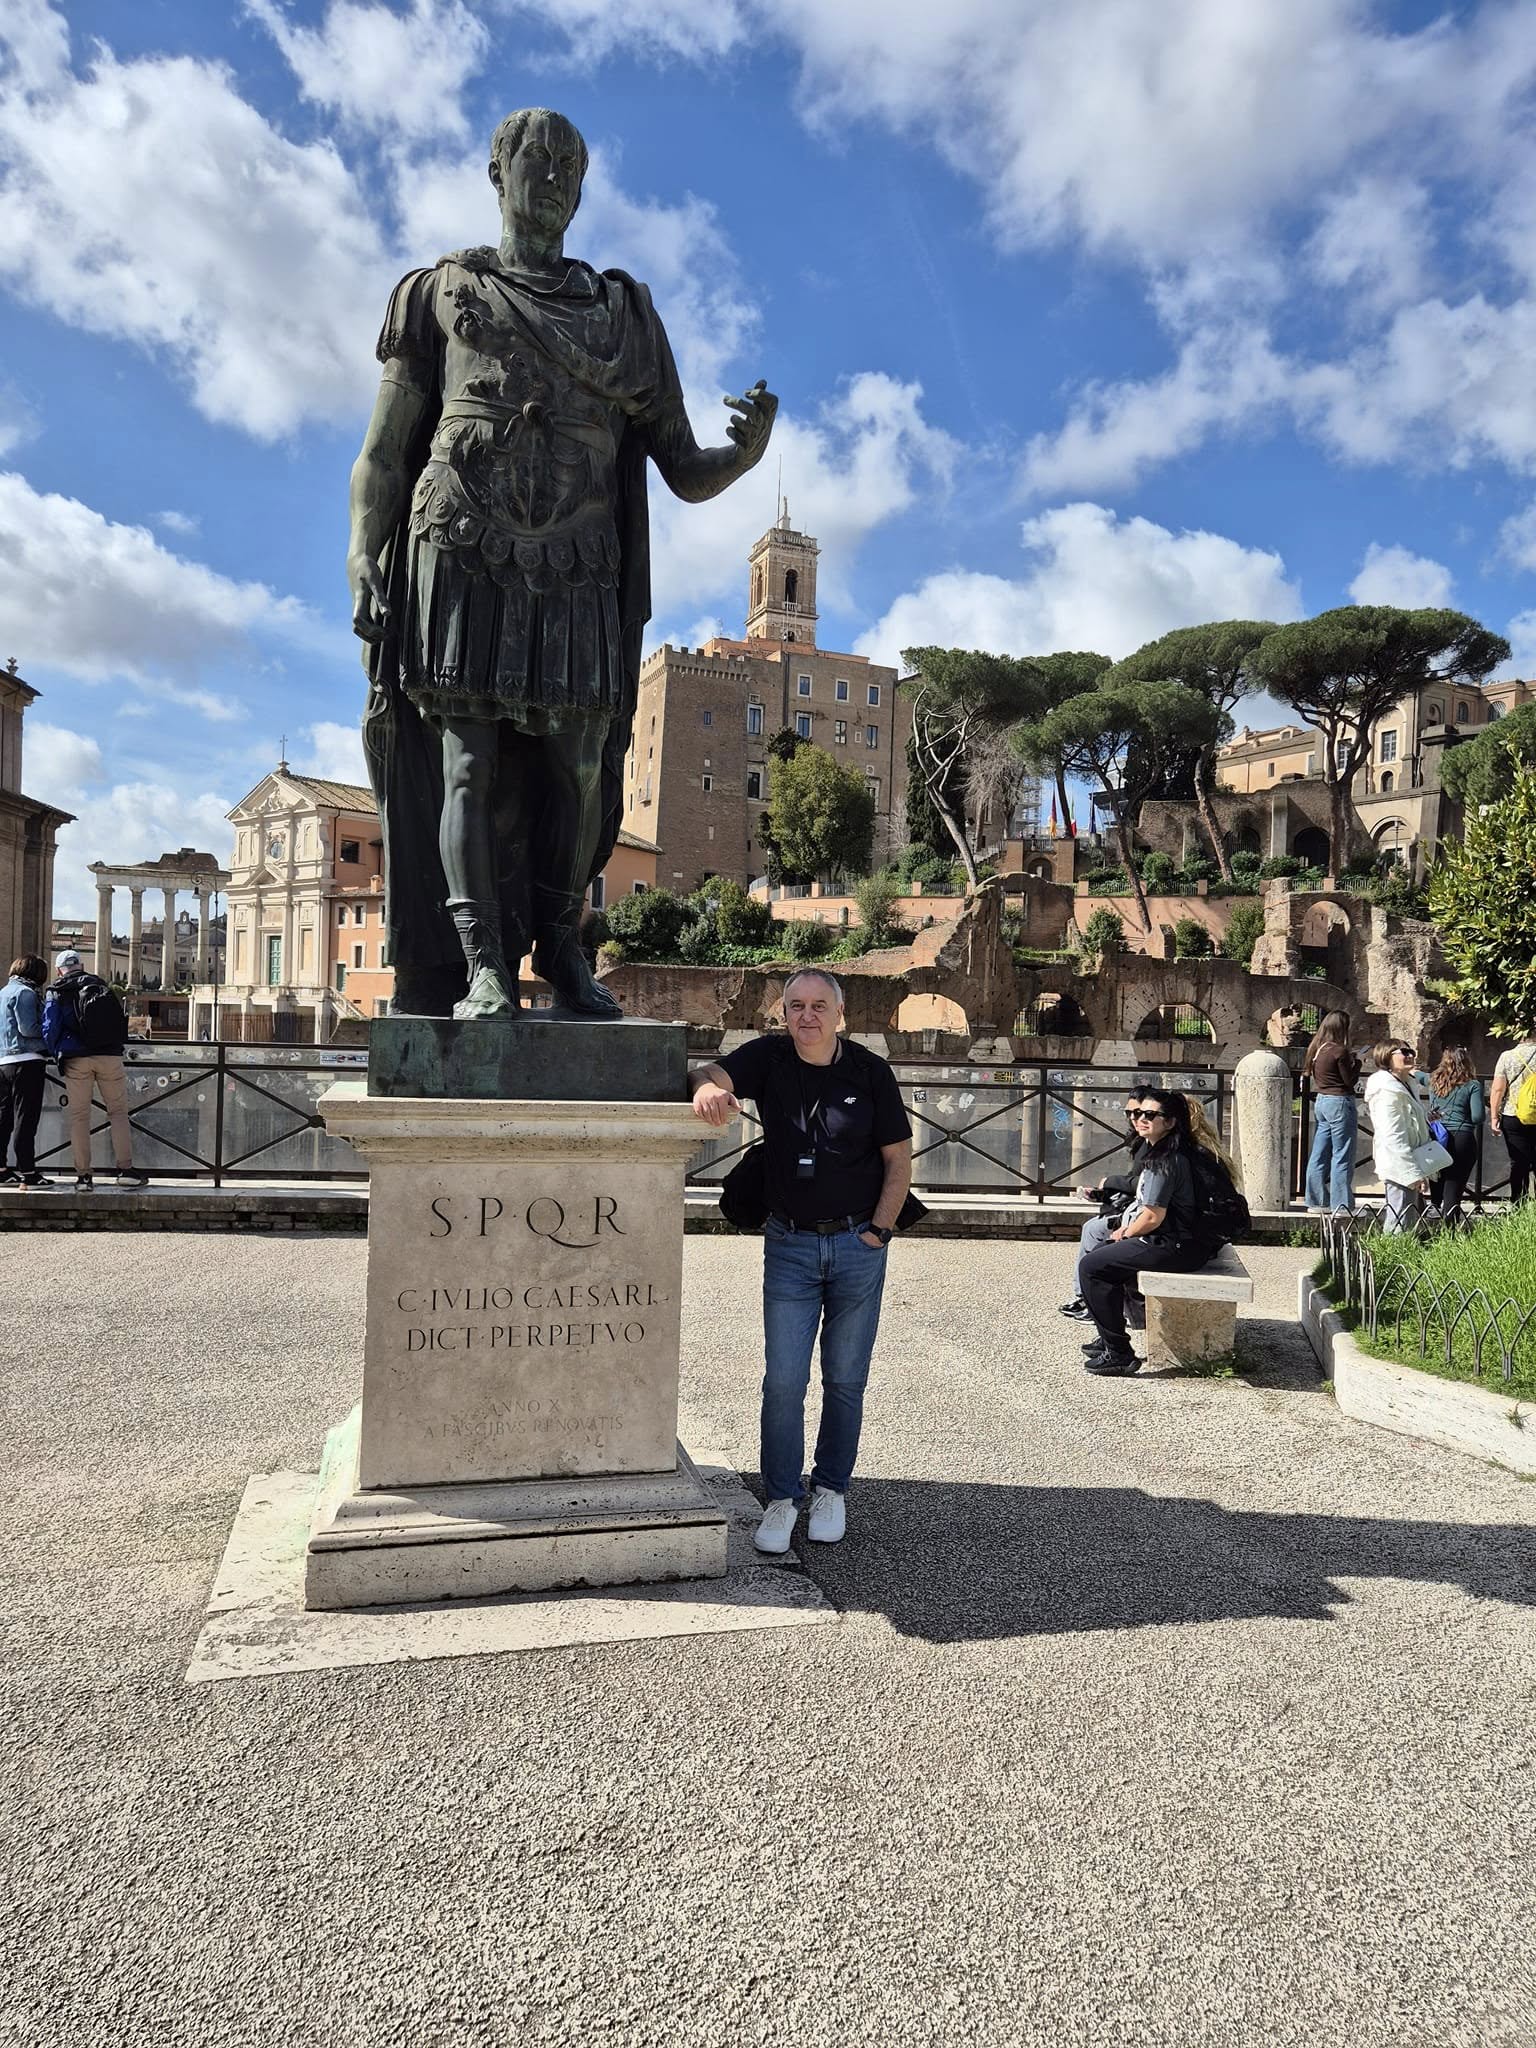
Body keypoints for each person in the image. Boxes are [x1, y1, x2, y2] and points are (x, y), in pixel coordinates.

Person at [347, 106, 777, 1019]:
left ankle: (559, 946)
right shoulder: (438, 292)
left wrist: (742, 457)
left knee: (581, 769)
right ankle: (481, 967)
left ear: (581, 191)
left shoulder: (623, 316)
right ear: (496, 173)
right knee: (466, 765)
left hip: (581, 562)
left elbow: (683, 465)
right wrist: (362, 549)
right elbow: (384, 450)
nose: (550, 180)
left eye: (568, 169)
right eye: (534, 161)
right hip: (460, 549)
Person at [688, 969, 912, 1554]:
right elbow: (706, 1071)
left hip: (857, 1244)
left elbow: (898, 1159)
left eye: (817, 1006)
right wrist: (706, 1089)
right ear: (783, 1013)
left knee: (846, 1377)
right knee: (784, 1380)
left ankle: (831, 1488)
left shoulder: (869, 1071)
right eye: (795, 1006)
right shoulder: (770, 1058)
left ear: (839, 1014)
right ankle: (782, 1497)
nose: (806, 1016)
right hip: (789, 1244)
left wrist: (879, 1231)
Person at [1078, 1090, 1209, 1377]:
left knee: (1092, 1266)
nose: (1140, 1119)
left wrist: (1124, 1234)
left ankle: (1119, 1354)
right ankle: (1109, 1338)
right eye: (1136, 1113)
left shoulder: (1164, 1159)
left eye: (1150, 1115)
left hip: (1174, 1244)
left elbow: (1152, 1217)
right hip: (1184, 1242)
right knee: (1103, 1257)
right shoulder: (1172, 1152)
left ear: (1170, 1122)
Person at [41, 950, 146, 1192]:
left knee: (79, 1117)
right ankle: (126, 1171)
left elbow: (49, 1028)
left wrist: (57, 1052)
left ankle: (84, 1177)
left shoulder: (56, 991)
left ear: (59, 971)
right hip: (109, 1055)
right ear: (80, 966)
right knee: (118, 1113)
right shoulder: (100, 984)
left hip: (76, 1059)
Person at [1060, 1079, 1159, 1322]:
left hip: (1155, 1225)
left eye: (1143, 1113)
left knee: (1094, 1232)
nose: (1135, 1119)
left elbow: (1146, 1190)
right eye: (1130, 1114)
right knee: (1094, 1229)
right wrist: (1105, 1192)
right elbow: (1140, 1184)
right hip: (1137, 1211)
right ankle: (1087, 1299)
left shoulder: (1163, 1149)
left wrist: (1110, 1182)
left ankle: (1091, 1302)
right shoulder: (1145, 1142)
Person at [1364, 1041, 1449, 1233]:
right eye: (1404, 1052)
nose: (1410, 1055)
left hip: (1412, 1158)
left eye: (1411, 1051)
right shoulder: (1387, 1090)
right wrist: (1411, 1172)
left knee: (1408, 1220)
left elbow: (1409, 1123)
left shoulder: (1405, 1084)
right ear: (1387, 1056)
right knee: (1399, 1222)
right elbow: (1392, 1134)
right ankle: (1392, 1252)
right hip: (1399, 1163)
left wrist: (1426, 1119)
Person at [1417, 1047, 1483, 1228]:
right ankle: (1450, 1230)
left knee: (1437, 1177)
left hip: (1437, 1138)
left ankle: (1433, 1216)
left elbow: (1418, 1075)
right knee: (1454, 1185)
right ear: (1467, 1062)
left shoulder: (1433, 1081)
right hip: (1462, 1138)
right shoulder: (1473, 1085)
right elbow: (1478, 1117)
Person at [0, 955, 51, 1187]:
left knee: (4, 1117)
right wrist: (50, 1035)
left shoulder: (3, 992)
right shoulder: (26, 993)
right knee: (26, 1118)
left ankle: (2, 1169)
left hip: (4, 1062)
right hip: (27, 1061)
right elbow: (28, 1029)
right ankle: (28, 1171)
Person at [1303, 1011, 1360, 1213]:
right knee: (1342, 1154)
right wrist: (1358, 1063)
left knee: (1319, 1154)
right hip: (1339, 1102)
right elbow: (1349, 1081)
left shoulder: (1317, 1049)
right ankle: (1342, 1205)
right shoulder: (1339, 1051)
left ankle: (1317, 1201)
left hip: (1322, 1101)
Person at [1489, 1027, 1536, 1203]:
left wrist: (1494, 1117)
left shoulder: (1507, 1056)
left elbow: (1497, 1089)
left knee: (1518, 1162)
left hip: (1513, 1114)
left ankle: (1518, 1204)